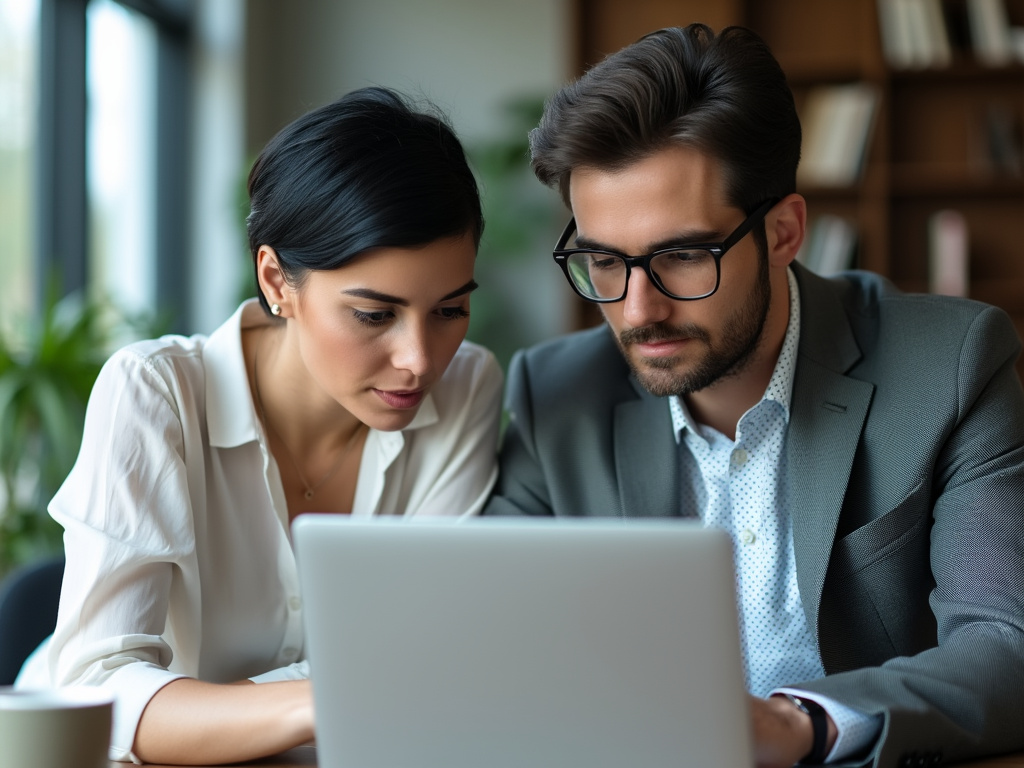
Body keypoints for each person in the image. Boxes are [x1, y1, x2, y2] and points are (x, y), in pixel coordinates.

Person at [482, 23, 1024, 768]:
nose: (637, 310)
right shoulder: (556, 398)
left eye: (681, 255)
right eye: (603, 261)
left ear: (783, 232)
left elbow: (1006, 645)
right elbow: (488, 638)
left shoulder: (950, 368)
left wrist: (798, 725)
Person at [17, 87, 503, 765]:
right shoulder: (156, 392)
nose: (420, 360)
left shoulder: (468, 385)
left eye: (450, 310)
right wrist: (326, 698)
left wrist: (242, 708)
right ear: (277, 281)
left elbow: (417, 657)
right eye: (373, 314)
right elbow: (100, 693)